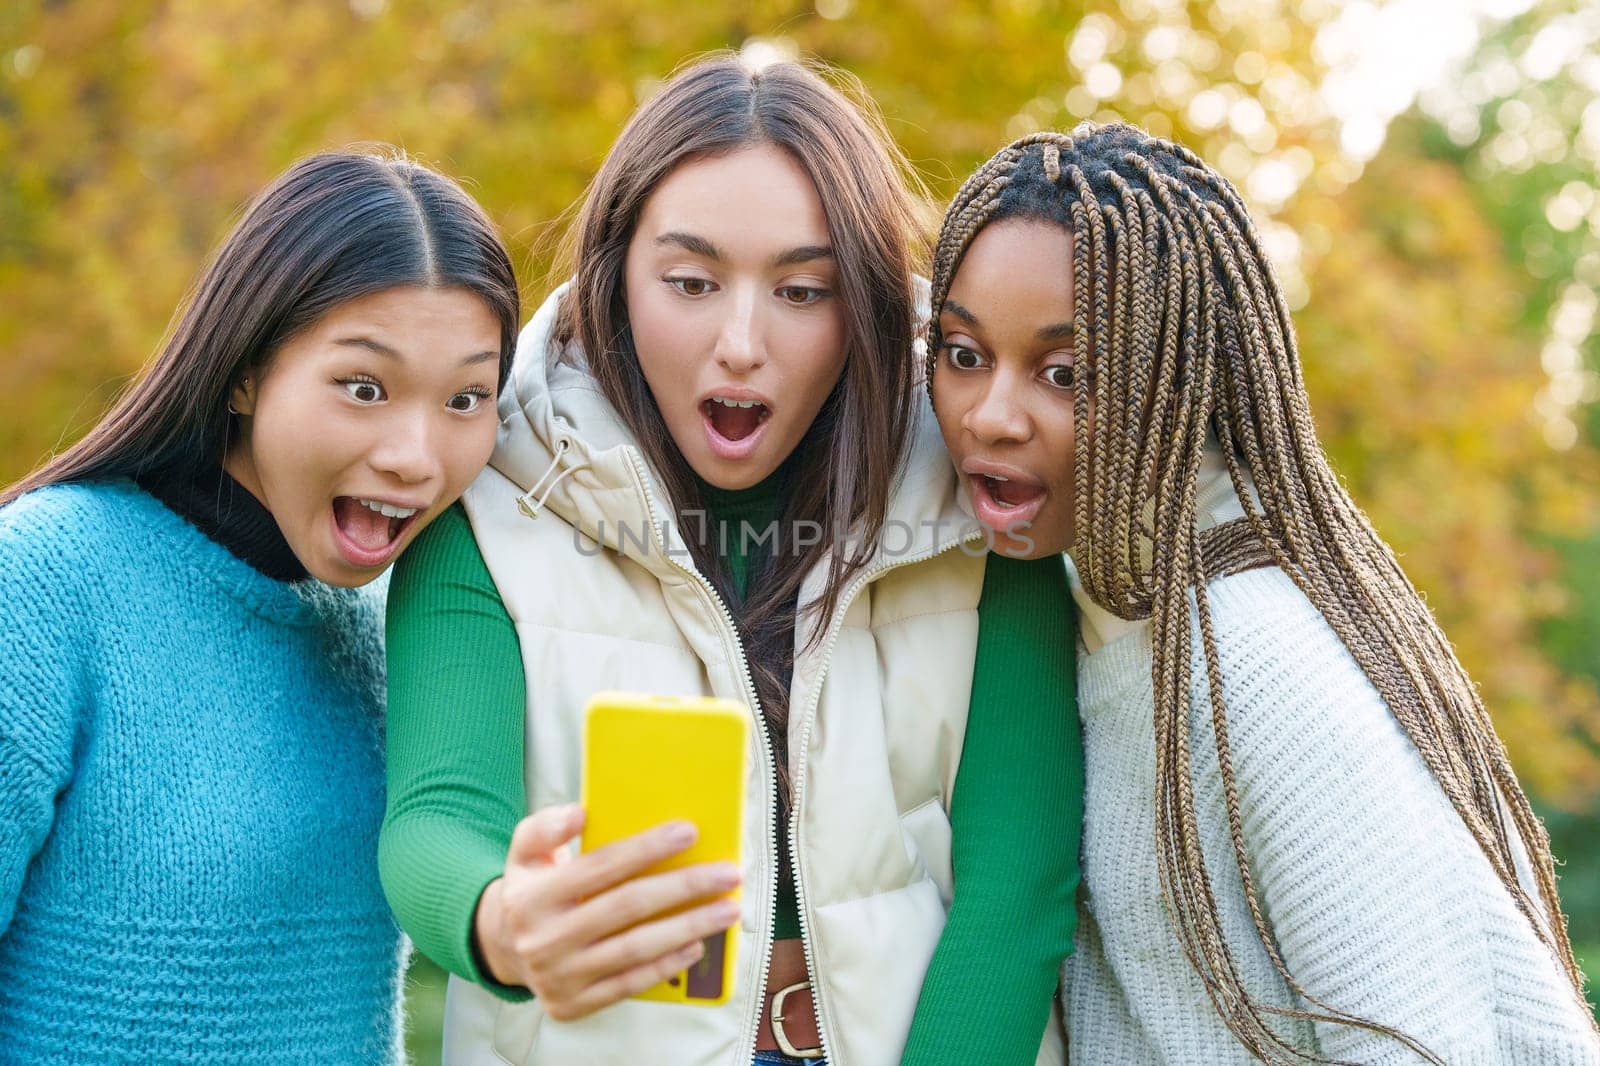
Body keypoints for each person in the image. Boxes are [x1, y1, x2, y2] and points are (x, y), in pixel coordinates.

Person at [380, 55, 1081, 1066]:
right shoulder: (491, 492)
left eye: (802, 291)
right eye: (692, 283)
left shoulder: (976, 492)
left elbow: (1016, 889)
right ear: (616, 275)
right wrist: (498, 917)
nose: (742, 343)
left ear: (867, 305)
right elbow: (436, 815)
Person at [925, 122, 1600, 1064]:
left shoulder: (1255, 664)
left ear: (1174, 382)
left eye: (1066, 373)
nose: (990, 415)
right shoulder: (1092, 606)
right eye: (963, 354)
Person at [0, 148, 519, 1063]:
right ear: (245, 371)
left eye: (465, 398)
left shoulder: (386, 618)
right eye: (365, 387)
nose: (416, 454)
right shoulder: (46, 578)